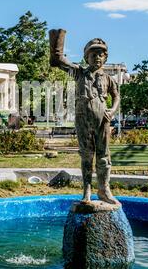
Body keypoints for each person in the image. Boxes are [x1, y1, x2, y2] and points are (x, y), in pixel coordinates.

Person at [49, 29, 120, 205]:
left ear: (105, 58)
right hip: (83, 119)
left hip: (102, 120)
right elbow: (59, 61)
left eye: (101, 54)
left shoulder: (108, 78)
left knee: (103, 157)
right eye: (93, 54)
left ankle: (104, 190)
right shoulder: (79, 73)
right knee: (86, 156)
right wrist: (57, 42)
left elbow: (117, 96)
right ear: (86, 57)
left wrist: (112, 110)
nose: (98, 57)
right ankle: (86, 191)